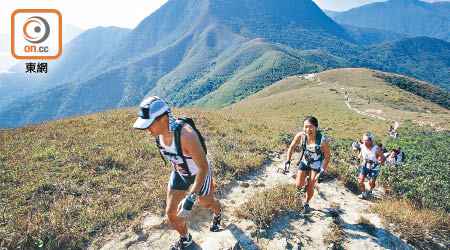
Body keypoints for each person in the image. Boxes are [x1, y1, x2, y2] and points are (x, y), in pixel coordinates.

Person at [133, 96, 222, 250]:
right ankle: (185, 238)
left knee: (206, 203)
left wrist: (191, 196)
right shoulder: (158, 136)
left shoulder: (187, 136)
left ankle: (218, 212)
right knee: (171, 211)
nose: (147, 130)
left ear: (164, 119)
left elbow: (203, 168)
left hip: (200, 173)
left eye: (149, 124)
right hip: (180, 172)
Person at [285, 116, 331, 213]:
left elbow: (327, 157)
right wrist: (288, 161)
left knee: (310, 186)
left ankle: (306, 204)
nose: (308, 129)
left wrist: (322, 171)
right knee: (298, 185)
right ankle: (306, 181)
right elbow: (291, 147)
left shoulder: (322, 141)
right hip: (305, 161)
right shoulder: (301, 136)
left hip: (316, 164)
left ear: (316, 128)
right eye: (305, 126)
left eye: (310, 127)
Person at [358, 133, 385, 199]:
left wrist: (377, 163)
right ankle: (363, 193)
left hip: (374, 167)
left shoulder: (377, 149)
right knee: (360, 181)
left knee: (371, 183)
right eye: (364, 140)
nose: (365, 142)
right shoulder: (362, 146)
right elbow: (361, 153)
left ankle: (370, 190)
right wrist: (358, 159)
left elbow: (383, 159)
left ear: (371, 141)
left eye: (366, 141)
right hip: (365, 165)